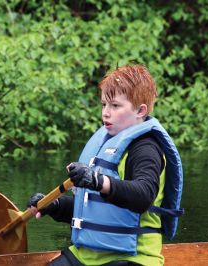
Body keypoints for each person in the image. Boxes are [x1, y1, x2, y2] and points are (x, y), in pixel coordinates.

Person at [27, 65, 183, 266]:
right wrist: (55, 206)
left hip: (132, 258)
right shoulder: (104, 144)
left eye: (115, 106)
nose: (106, 113)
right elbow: (91, 209)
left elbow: (143, 196)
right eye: (104, 105)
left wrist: (98, 181)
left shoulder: (146, 148)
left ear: (140, 110)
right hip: (86, 256)